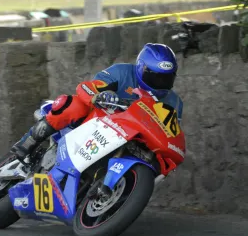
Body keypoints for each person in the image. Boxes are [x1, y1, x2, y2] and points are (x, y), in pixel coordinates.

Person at [10, 43, 183, 161]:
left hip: (133, 137)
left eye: (166, 78)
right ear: (140, 68)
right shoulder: (122, 72)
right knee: (74, 104)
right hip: (98, 121)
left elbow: (169, 133)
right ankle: (28, 142)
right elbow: (87, 87)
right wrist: (98, 96)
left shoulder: (174, 102)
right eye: (154, 76)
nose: (160, 83)